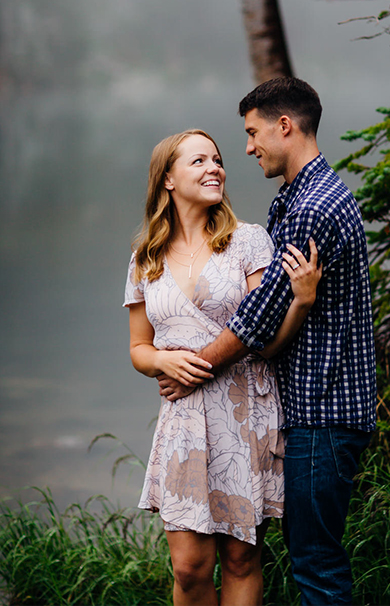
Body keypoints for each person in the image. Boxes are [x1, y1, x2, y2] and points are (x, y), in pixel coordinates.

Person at [158, 77, 378, 605]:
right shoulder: (296, 198)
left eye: (254, 133)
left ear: (285, 126)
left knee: (316, 564)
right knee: (310, 557)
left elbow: (257, 318)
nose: (249, 147)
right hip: (310, 410)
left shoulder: (313, 207)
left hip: (323, 412)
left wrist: (191, 369)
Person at [124, 129, 322, 605]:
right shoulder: (144, 259)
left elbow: (267, 340)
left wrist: (301, 302)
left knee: (239, 560)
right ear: (168, 179)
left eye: (217, 159)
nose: (215, 167)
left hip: (244, 415)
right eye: (199, 161)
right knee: (189, 569)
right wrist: (163, 360)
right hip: (184, 423)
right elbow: (138, 348)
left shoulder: (248, 241)